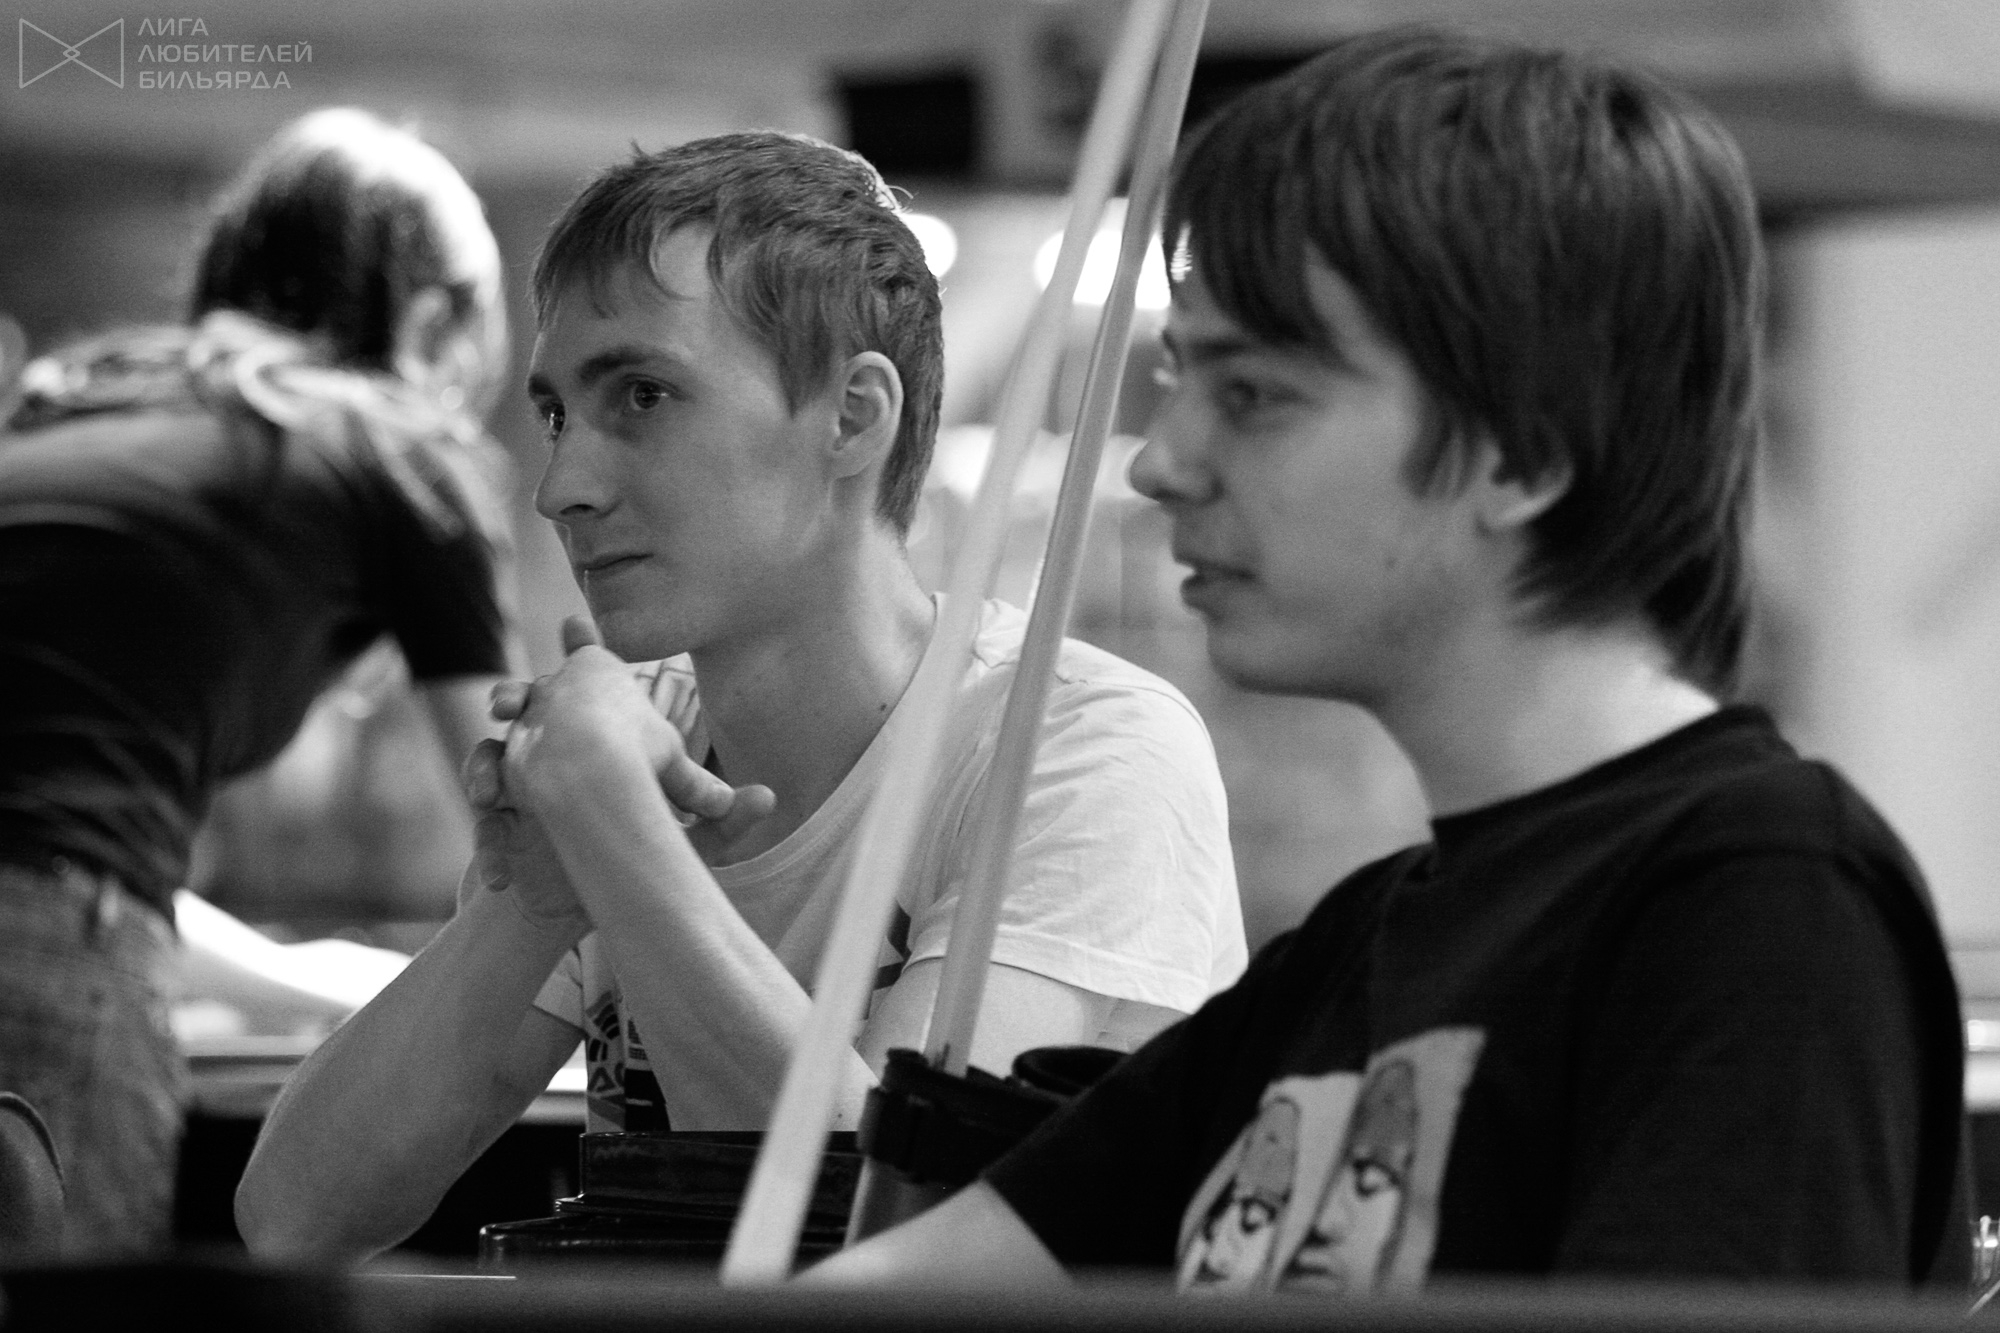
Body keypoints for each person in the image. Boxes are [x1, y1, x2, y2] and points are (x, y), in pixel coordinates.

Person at [810, 26, 1967, 1291]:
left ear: (1523, 453)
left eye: (1254, 394)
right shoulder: (1358, 941)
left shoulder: (1759, 903)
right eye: (1179, 380)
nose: (1164, 462)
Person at [233, 131, 1246, 1263]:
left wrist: (618, 834)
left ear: (852, 417)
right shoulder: (642, 735)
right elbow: (294, 1220)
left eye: (644, 395)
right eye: (559, 413)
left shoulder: (1081, 751)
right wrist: (536, 900)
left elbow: (882, 1245)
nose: (561, 487)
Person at [0, 107, 518, 1256]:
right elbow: (535, 818)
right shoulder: (394, 449)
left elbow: (62, 857)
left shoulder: (70, 399)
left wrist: (308, 981)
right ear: (431, 320)